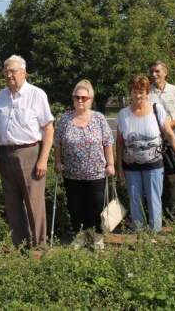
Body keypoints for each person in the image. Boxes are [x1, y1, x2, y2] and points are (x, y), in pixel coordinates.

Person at [0, 55, 54, 248]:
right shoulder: (1, 96)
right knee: (12, 206)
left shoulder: (37, 94)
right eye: (6, 72)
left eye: (13, 71)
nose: (9, 75)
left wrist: (43, 159)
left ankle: (40, 248)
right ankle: (20, 247)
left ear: (24, 72)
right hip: (6, 155)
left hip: (30, 154)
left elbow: (49, 129)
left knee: (34, 205)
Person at [117, 75, 175, 233]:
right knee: (135, 200)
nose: (138, 96)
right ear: (131, 92)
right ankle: (139, 232)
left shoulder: (156, 109)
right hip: (130, 165)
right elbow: (119, 142)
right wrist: (119, 166)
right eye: (134, 92)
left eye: (141, 92)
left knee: (154, 199)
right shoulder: (123, 114)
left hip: (154, 163)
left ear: (147, 92)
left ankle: (155, 232)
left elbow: (169, 134)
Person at [54, 80, 114, 250]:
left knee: (96, 207)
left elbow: (108, 142)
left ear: (90, 99)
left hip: (96, 173)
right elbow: (58, 142)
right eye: (76, 97)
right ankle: (80, 236)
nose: (80, 100)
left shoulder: (99, 118)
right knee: (76, 207)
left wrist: (111, 165)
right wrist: (58, 162)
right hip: (71, 173)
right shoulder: (65, 118)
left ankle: (97, 238)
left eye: (83, 97)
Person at [147, 61, 175, 217]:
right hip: (152, 143)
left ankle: (174, 214)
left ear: (165, 72)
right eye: (151, 71)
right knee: (154, 180)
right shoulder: (146, 93)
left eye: (157, 71)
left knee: (174, 179)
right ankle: (156, 213)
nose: (154, 74)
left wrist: (167, 127)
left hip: (172, 142)